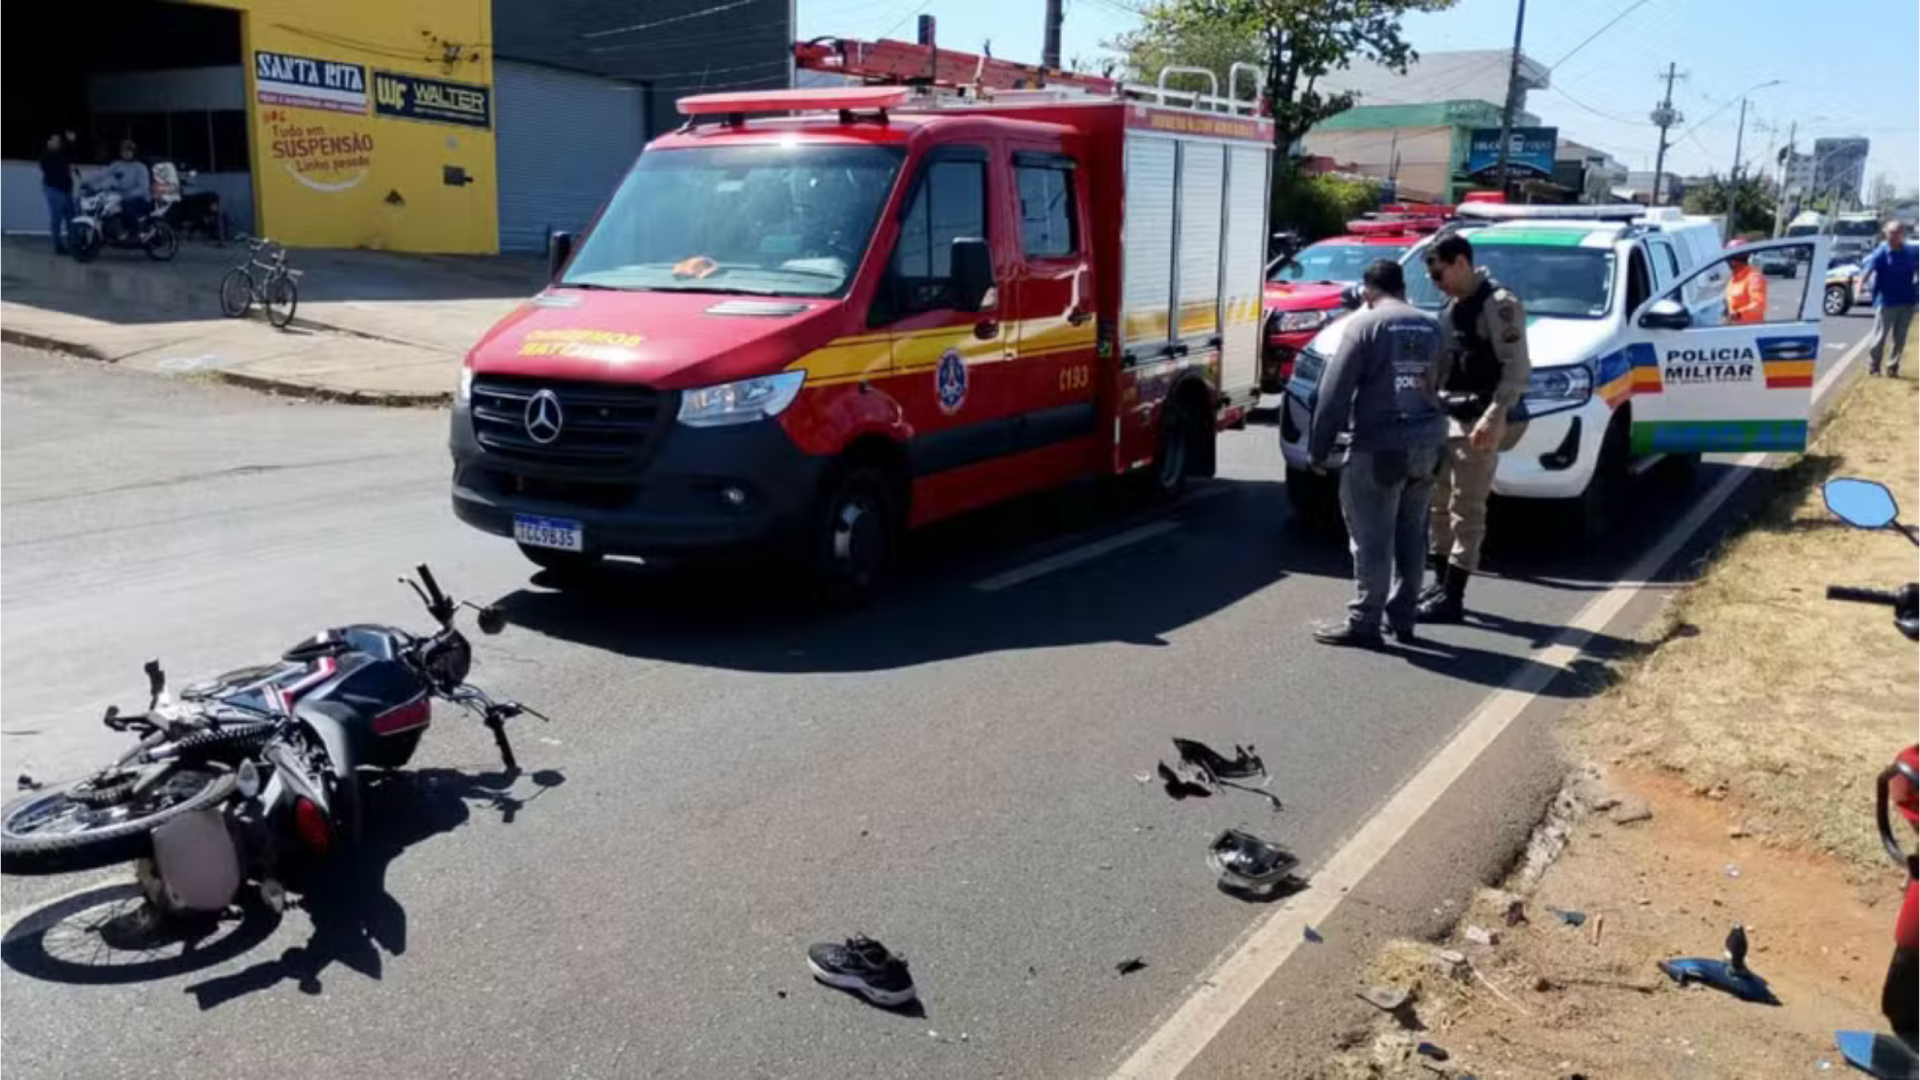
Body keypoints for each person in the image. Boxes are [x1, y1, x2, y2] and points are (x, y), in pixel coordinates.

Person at [1306, 259, 1447, 647]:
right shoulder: (1432, 325)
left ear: (1368, 291)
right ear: (1402, 287)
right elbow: (1443, 381)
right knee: (1412, 534)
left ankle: (1365, 621)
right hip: (1428, 444)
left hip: (1381, 447)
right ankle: (1404, 617)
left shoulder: (1364, 325)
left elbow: (1334, 394)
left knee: (1372, 536)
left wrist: (1318, 449)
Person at [1418, 232, 1531, 624]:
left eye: (1440, 274)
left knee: (1467, 508)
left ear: (1462, 263)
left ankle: (1454, 596)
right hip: (1447, 416)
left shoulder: (1499, 305)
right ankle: (1438, 583)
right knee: (1437, 503)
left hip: (1479, 419)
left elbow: (1516, 368)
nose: (1437, 282)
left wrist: (1495, 414)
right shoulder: (1454, 304)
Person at [1861, 220, 1918, 377]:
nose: (1893, 236)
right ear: (1885, 233)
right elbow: (1868, 270)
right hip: (1886, 302)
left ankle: (1893, 367)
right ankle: (1874, 366)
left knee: (1900, 338)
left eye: (1897, 233)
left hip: (1907, 301)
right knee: (1880, 336)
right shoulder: (1882, 252)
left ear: (1902, 235)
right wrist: (1860, 286)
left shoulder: (1910, 252)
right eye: (1891, 233)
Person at [103, 140, 152, 238]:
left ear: (134, 152)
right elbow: (103, 175)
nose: (126, 153)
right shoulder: (116, 164)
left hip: (141, 199)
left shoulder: (140, 167)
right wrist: (90, 184)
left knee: (126, 207)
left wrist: (128, 194)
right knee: (108, 207)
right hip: (123, 197)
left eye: (129, 151)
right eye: (123, 151)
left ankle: (133, 233)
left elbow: (143, 188)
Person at [38, 132, 75, 256]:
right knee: (57, 218)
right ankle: (58, 246)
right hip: (54, 190)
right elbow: (52, 169)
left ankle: (72, 244)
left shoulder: (62, 153)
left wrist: (70, 142)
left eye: (58, 141)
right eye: (54, 140)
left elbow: (69, 157)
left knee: (71, 218)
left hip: (66, 190)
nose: (57, 142)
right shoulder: (46, 155)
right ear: (48, 142)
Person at [1725, 246, 1768, 325]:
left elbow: (1759, 305)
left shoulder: (1754, 278)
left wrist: (1736, 315)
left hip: (1750, 331)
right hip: (1734, 329)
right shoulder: (1733, 279)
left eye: (1728, 259)